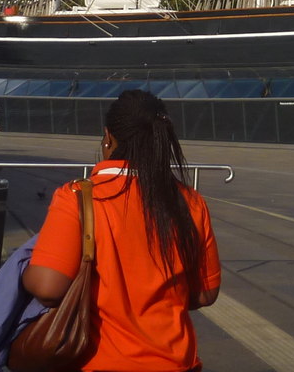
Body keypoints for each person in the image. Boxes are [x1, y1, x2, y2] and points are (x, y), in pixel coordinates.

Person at [23, 89, 220, 371]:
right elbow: (205, 294)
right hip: (177, 362)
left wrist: (21, 272)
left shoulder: (79, 197)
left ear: (108, 137)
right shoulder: (190, 201)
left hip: (100, 361)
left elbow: (47, 287)